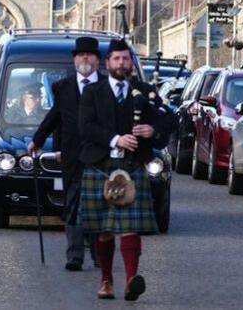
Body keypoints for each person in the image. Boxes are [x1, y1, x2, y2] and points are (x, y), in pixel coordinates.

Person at [78, 39, 165, 301]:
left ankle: (130, 280)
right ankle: (106, 281)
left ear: (131, 63)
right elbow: (86, 127)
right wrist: (116, 139)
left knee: (130, 227)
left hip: (132, 165)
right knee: (103, 228)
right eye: (117, 59)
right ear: (107, 63)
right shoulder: (93, 92)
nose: (122, 64)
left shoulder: (144, 90)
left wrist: (153, 130)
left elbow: (168, 118)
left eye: (126, 59)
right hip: (101, 165)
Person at [29, 36, 101, 271]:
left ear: (97, 61)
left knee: (98, 206)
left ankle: (100, 254)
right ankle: (75, 256)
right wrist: (38, 140)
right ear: (74, 60)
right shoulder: (63, 87)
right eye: (80, 55)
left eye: (89, 55)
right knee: (73, 206)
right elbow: (54, 117)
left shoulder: (108, 87)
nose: (85, 59)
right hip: (72, 156)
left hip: (101, 156)